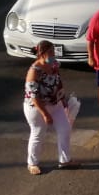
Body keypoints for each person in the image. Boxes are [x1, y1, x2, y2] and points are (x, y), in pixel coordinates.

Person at [23, 40, 80, 174]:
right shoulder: (34, 71)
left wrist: (63, 100)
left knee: (65, 129)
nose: (53, 55)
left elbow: (58, 83)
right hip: (37, 108)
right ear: (41, 54)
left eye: (53, 52)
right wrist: (45, 114)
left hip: (55, 103)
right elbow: (34, 96)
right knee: (38, 134)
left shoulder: (53, 65)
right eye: (50, 52)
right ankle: (32, 164)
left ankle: (65, 160)